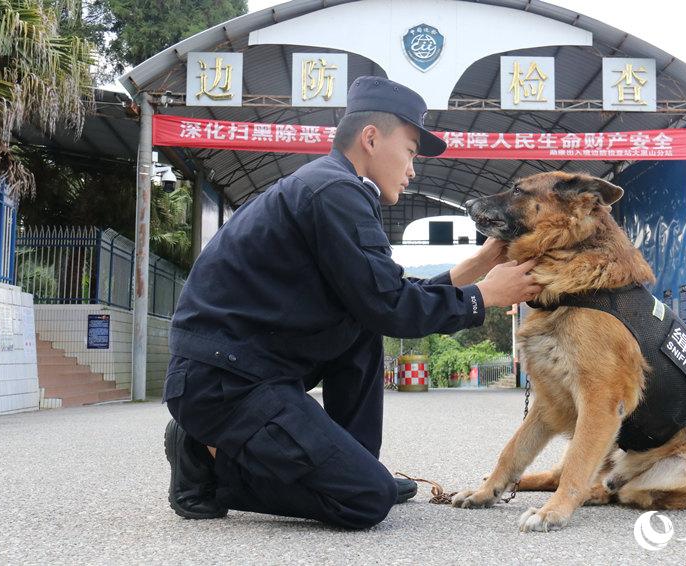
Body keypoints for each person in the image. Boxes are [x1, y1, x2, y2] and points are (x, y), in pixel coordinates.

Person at [163, 75, 542, 529]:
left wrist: (477, 268)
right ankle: (205, 463)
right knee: (365, 501)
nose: (412, 169)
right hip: (224, 384)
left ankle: (353, 461)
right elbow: (392, 306)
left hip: (246, 369)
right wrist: (483, 298)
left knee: (361, 327)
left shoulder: (331, 186)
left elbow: (380, 297)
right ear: (370, 138)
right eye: (409, 151)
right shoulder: (335, 192)